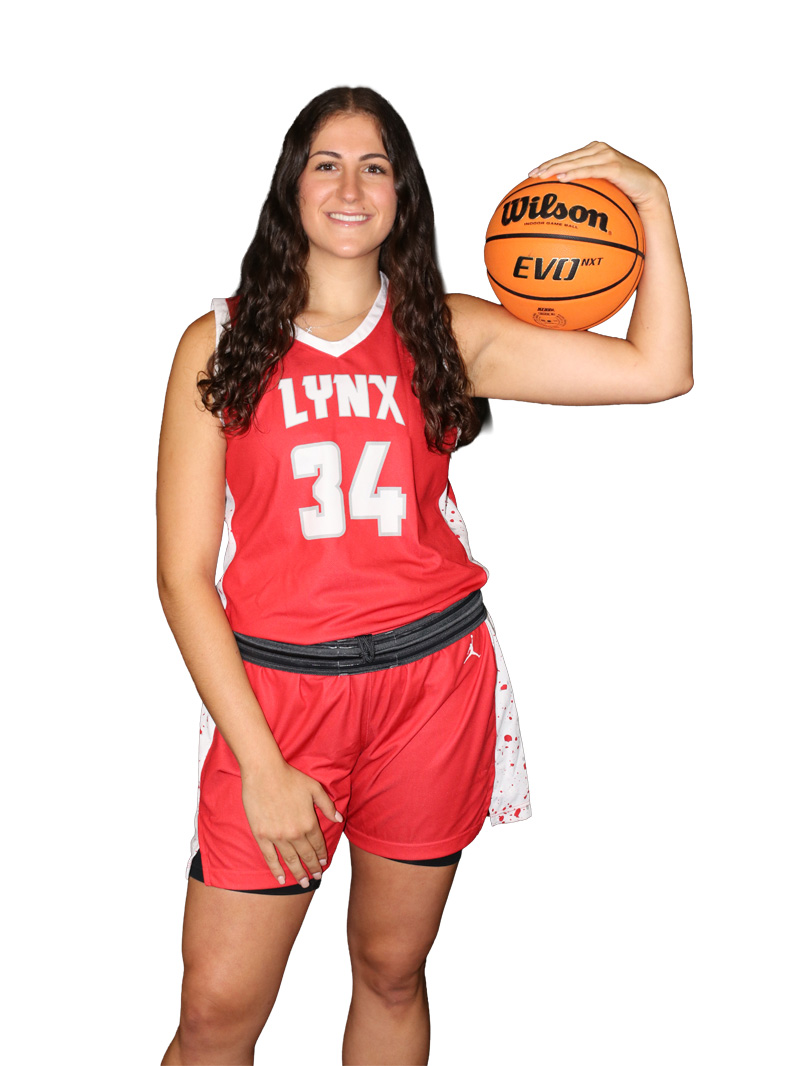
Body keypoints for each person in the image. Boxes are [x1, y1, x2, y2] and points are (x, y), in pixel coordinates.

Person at [157, 86, 692, 1066]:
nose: (350, 187)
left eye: (375, 167)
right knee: (215, 1016)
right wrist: (263, 766)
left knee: (391, 970)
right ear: (292, 186)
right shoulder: (221, 341)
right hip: (280, 700)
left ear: (403, 193)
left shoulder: (446, 330)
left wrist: (650, 202)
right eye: (327, 164)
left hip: (431, 686)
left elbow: (658, 369)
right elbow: (183, 576)